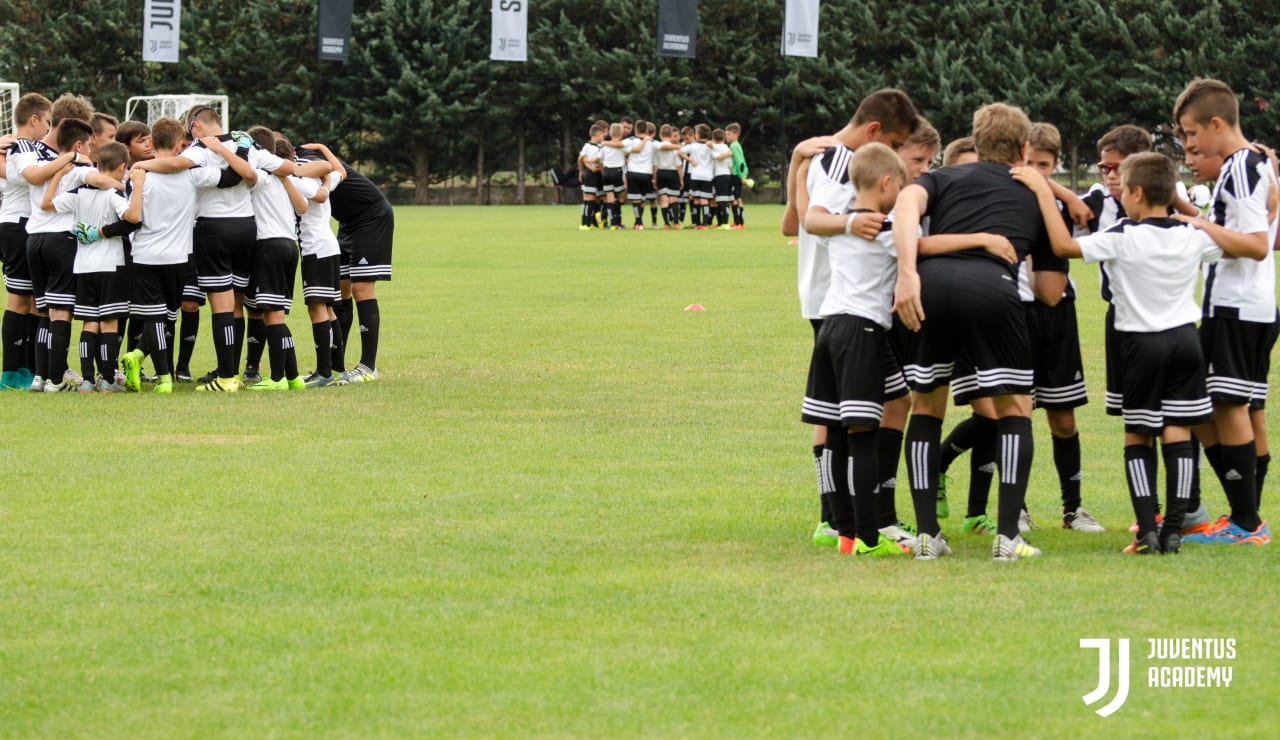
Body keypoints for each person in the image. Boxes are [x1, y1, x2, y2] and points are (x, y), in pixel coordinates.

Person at [1013, 151, 1266, 553]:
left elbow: (1061, 246)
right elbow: (1239, 247)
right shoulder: (1192, 235)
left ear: (1136, 192)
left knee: (1138, 435)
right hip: (1186, 340)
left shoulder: (1121, 235)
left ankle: (1147, 530)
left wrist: (1044, 193)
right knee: (1179, 432)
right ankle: (1175, 531)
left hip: (1139, 343)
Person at [892, 102, 1061, 560]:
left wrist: (907, 271)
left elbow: (906, 202)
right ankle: (1008, 536)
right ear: (1025, 148)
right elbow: (1049, 290)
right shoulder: (1033, 191)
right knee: (1014, 408)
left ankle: (928, 535)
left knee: (927, 408)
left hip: (931, 286)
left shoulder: (941, 178)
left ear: (977, 143)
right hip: (991, 290)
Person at [782, 88, 921, 548]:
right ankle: (857, 520)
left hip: (832, 300)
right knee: (854, 415)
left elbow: (793, 221)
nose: (896, 158)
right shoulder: (843, 160)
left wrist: (795, 165)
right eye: (897, 146)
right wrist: (845, 223)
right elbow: (811, 222)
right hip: (844, 302)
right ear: (875, 131)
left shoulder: (822, 156)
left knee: (863, 407)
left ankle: (846, 517)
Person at [1173, 78, 1277, 546]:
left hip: (1235, 307)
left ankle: (1246, 523)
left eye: (1191, 135)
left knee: (1220, 406)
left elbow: (1254, 246)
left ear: (1216, 124)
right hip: (1254, 306)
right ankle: (1246, 517)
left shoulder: (1240, 166)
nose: (1189, 146)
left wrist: (1198, 226)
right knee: (1242, 409)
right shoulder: (1256, 164)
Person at [800, 142, 912, 556]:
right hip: (862, 331)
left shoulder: (838, 223)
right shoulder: (882, 229)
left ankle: (842, 530)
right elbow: (918, 249)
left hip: (830, 327)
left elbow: (808, 214)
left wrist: (799, 171)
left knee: (837, 432)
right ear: (886, 183)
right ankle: (866, 538)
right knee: (862, 435)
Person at [118, 121, 256, 394]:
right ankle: (149, 360)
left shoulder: (137, 175)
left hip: (145, 254)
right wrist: (239, 148)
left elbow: (131, 218)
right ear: (181, 142)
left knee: (154, 317)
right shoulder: (193, 174)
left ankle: (163, 378)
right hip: (180, 256)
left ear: (153, 143)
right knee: (171, 312)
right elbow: (232, 177)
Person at [41, 141, 136, 392]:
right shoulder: (115, 193)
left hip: (83, 266)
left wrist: (58, 175)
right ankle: (106, 379)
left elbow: (47, 204)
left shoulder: (79, 192)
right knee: (109, 323)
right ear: (122, 167)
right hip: (110, 263)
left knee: (89, 323)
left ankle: (85, 379)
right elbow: (132, 218)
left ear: (97, 165)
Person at [0, 92, 52, 391]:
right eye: (45, 122)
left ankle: (29, 366)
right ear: (33, 119)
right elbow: (25, 176)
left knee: (34, 301)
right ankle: (10, 372)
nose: (47, 128)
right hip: (16, 225)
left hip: (28, 227)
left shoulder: (31, 147)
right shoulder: (16, 146)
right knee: (18, 301)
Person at [292, 142, 346, 387]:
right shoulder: (319, 179)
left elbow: (322, 194)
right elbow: (340, 172)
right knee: (329, 308)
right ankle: (338, 370)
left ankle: (324, 373)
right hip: (330, 246)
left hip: (315, 249)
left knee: (317, 309)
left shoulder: (298, 180)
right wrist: (324, 153)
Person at [577, 124, 605, 230]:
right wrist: (583, 170)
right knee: (589, 199)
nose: (603, 137)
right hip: (590, 175)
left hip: (599, 174)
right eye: (602, 135)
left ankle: (595, 221)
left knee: (598, 199)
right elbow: (581, 159)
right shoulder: (587, 146)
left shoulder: (601, 147)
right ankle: (585, 224)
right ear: (597, 135)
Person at [725, 123, 748, 229]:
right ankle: (736, 222)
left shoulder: (734, 145)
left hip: (736, 175)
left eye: (729, 134)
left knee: (737, 198)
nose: (727, 136)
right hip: (733, 175)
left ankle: (740, 223)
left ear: (736, 134)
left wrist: (742, 176)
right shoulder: (733, 145)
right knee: (733, 198)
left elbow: (740, 162)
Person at [710, 128, 733, 228]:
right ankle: (721, 222)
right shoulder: (727, 148)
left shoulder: (714, 148)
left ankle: (724, 223)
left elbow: (718, 158)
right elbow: (730, 165)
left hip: (719, 175)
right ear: (723, 137)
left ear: (713, 138)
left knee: (721, 200)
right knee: (724, 199)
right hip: (727, 174)